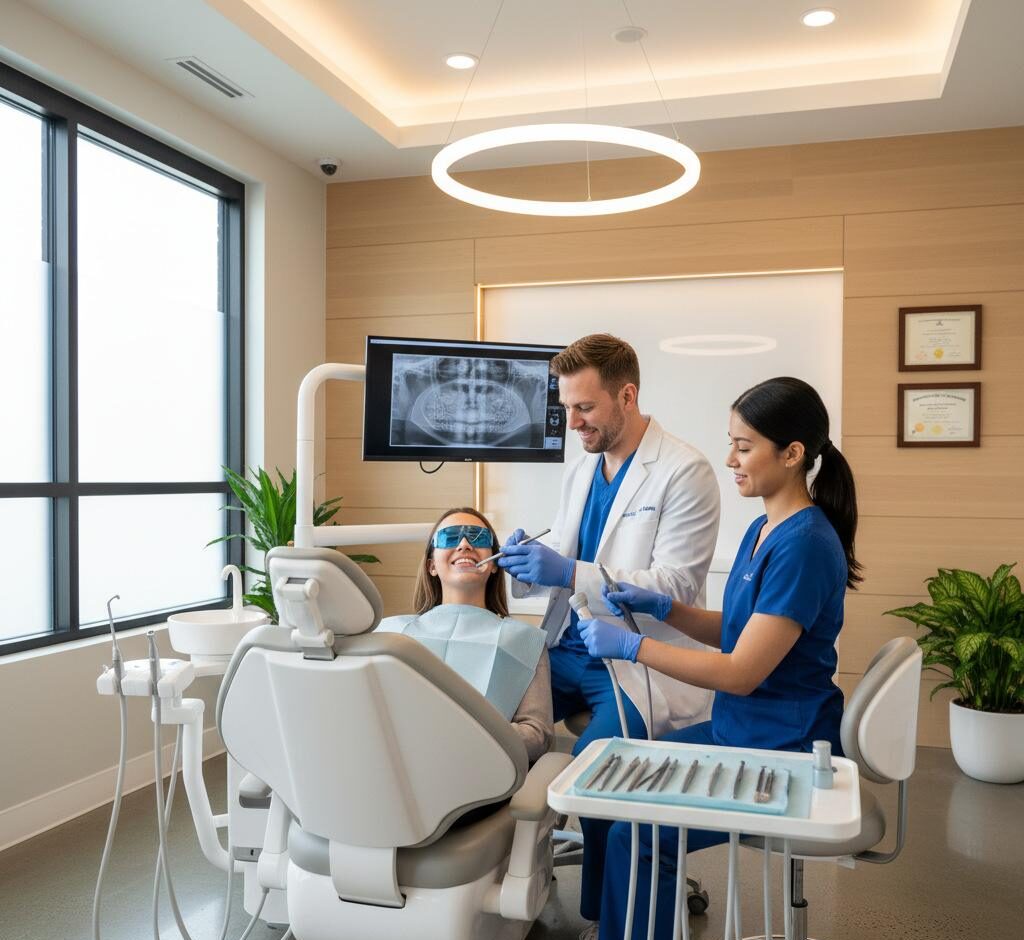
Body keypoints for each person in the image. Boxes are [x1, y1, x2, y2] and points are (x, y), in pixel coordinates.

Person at [576, 376, 862, 940]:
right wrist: (668, 609)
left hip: (783, 747)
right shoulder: (765, 526)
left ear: (793, 454)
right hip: (743, 729)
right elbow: (739, 632)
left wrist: (636, 646)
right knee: (611, 793)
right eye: (730, 441)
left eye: (745, 446)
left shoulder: (803, 543)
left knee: (639, 833)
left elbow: (742, 671)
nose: (730, 458)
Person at [496, 334, 721, 926]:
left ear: (627, 395)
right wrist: (530, 555)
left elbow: (675, 588)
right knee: (482, 727)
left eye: (585, 408)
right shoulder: (582, 469)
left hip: (634, 659)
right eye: (566, 408)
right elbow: (571, 549)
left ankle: (602, 916)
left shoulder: (685, 471)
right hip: (564, 646)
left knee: (599, 768)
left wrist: (569, 569)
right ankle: (493, 882)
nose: (572, 422)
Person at [377, 507, 553, 763]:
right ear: (431, 566)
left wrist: (466, 738)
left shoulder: (525, 641)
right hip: (401, 774)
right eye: (449, 537)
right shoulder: (391, 633)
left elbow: (538, 734)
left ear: (494, 564)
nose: (464, 544)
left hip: (480, 780)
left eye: (478, 537)